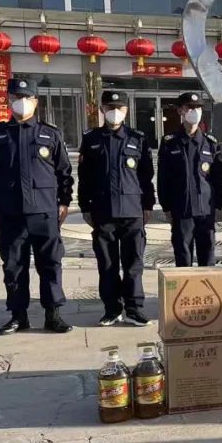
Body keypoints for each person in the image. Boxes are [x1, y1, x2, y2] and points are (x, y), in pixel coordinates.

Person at [0, 78, 74, 335]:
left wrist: (64, 202)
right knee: (13, 266)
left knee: (50, 264)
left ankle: (53, 314)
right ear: (8, 100)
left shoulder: (50, 134)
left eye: (26, 97)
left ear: (35, 101)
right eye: (16, 97)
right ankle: (18, 316)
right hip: (10, 213)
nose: (21, 102)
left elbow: (64, 173)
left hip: (44, 213)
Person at [77, 90, 156, 327]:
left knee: (133, 264)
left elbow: (146, 176)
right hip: (103, 211)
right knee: (107, 264)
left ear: (126, 110)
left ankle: (134, 309)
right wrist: (85, 206)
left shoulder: (137, 138)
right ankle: (112, 309)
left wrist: (148, 204)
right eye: (110, 107)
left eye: (119, 108)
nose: (114, 112)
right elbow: (85, 177)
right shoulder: (91, 139)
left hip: (132, 211)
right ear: (102, 109)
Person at [157, 92, 222, 267]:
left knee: (207, 257)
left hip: (205, 210)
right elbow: (163, 178)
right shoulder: (170, 142)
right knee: (183, 258)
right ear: (180, 111)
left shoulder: (211, 143)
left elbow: (217, 178)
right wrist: (166, 207)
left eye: (198, 108)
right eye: (190, 107)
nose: (194, 111)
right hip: (182, 209)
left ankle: (207, 286)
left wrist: (218, 205)